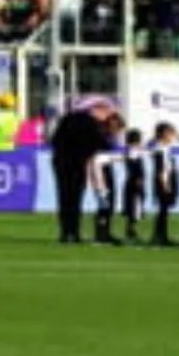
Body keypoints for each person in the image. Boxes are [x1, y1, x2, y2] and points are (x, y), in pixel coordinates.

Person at [50, 94, 109, 246]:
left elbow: (55, 140)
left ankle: (65, 232)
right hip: (78, 163)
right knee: (76, 198)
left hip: (61, 162)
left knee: (64, 197)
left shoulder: (67, 119)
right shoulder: (91, 124)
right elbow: (102, 144)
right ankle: (74, 232)